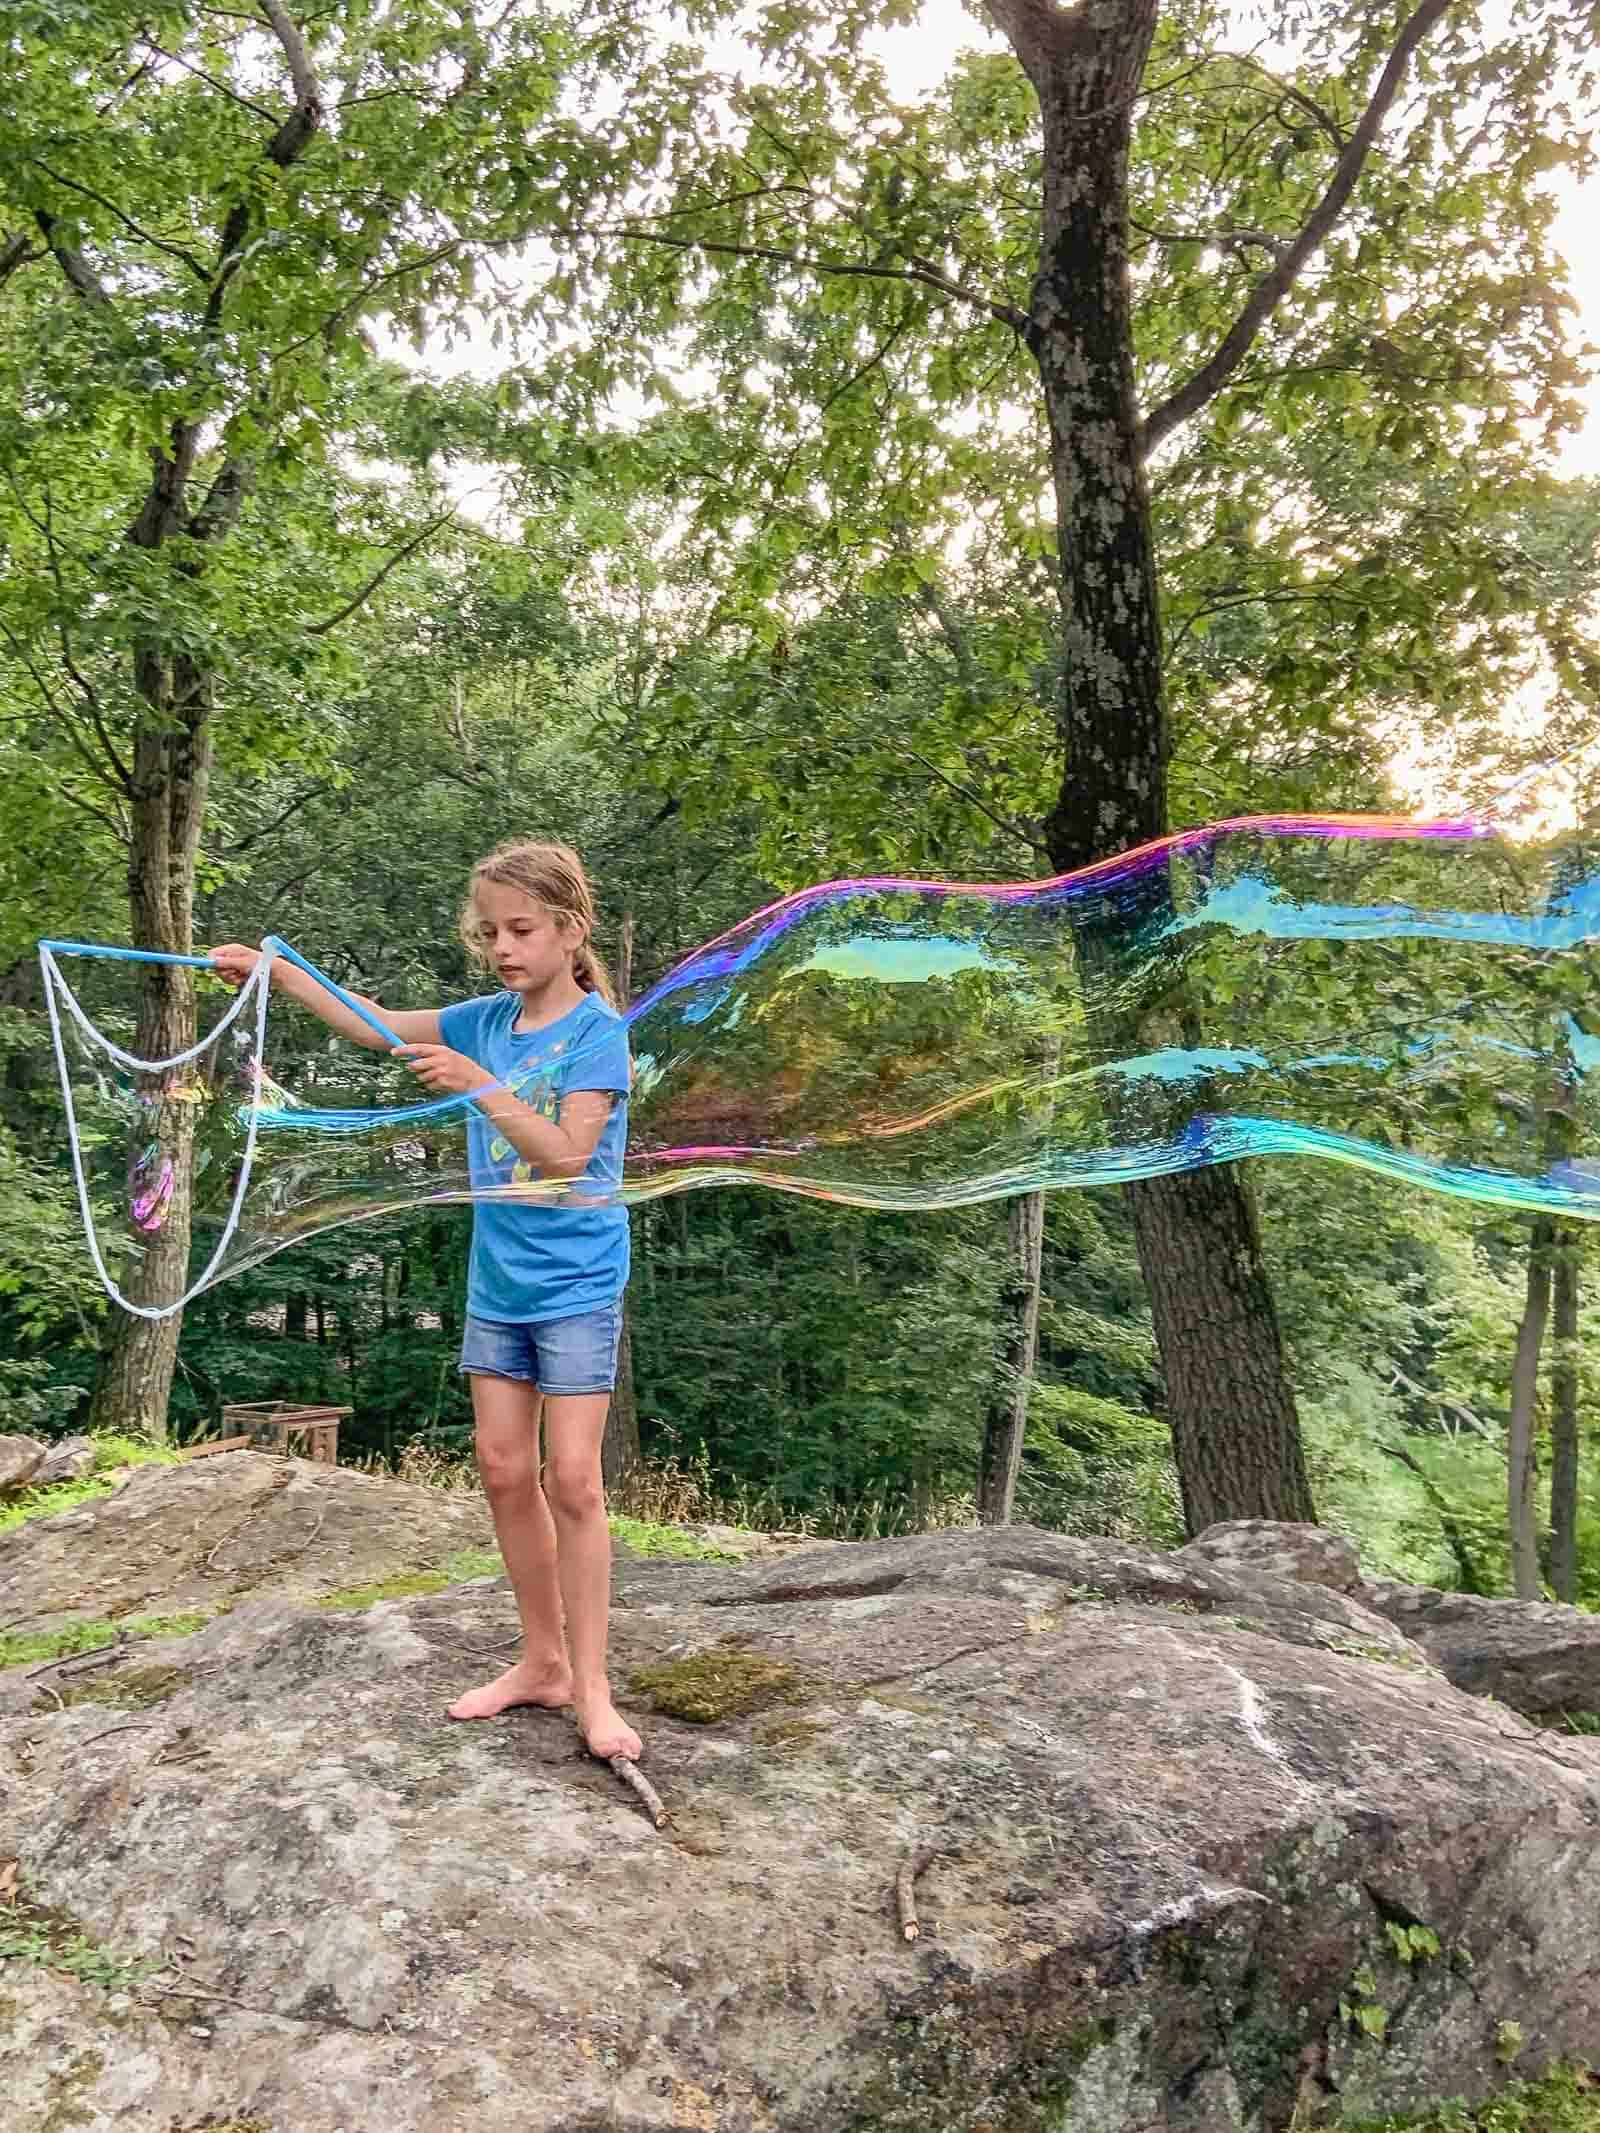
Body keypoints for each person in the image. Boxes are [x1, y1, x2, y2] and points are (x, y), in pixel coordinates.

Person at [210, 839, 640, 1762]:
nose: (503, 947)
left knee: (572, 1480)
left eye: (521, 929)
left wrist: (478, 1086)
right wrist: (278, 974)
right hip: (501, 1283)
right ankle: (542, 1662)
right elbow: (372, 1025)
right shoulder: (485, 1017)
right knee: (497, 1466)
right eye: (490, 932)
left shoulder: (599, 1034)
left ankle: (595, 1690)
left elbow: (568, 1160)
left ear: (572, 929)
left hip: (576, 1284)